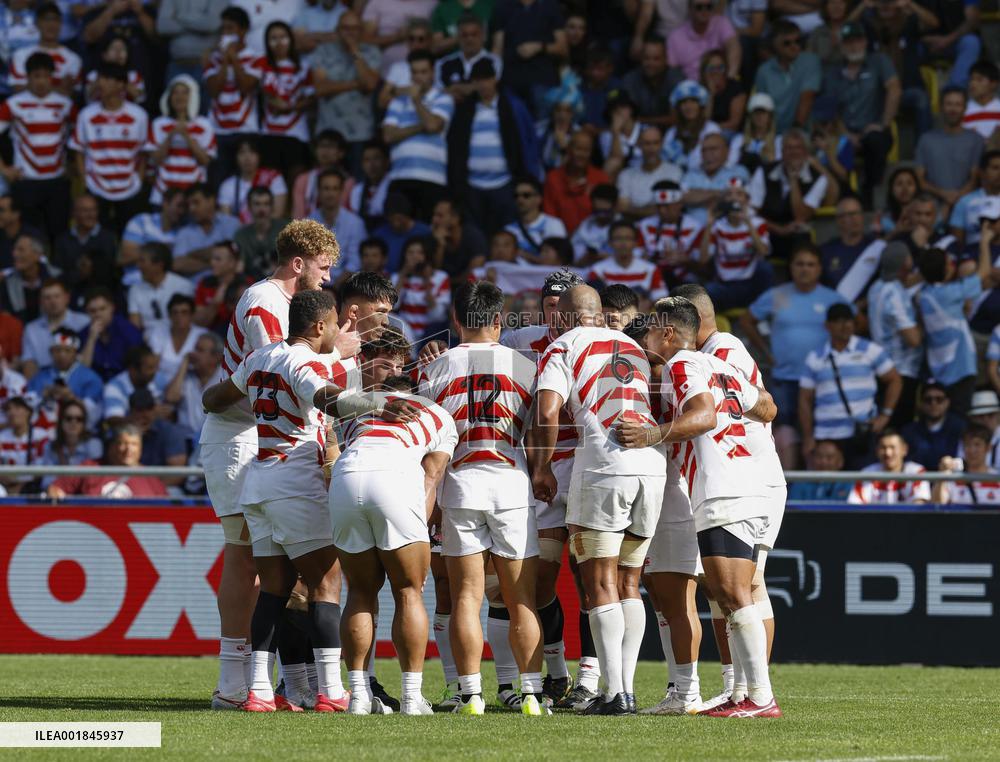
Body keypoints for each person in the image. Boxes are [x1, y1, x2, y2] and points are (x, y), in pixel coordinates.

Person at [201, 289, 417, 713]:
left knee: (274, 591)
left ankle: (260, 692)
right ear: (319, 326)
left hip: (257, 483)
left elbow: (215, 398)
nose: (339, 330)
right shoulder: (306, 361)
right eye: (335, 323)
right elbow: (325, 399)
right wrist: (379, 402)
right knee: (326, 583)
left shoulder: (258, 358)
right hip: (294, 479)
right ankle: (332, 691)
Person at [198, 219, 345, 711]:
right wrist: (339, 356)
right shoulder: (265, 302)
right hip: (244, 438)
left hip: (264, 439)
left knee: (276, 570)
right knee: (247, 560)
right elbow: (276, 370)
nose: (327, 280)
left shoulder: (284, 304)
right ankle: (234, 684)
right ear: (298, 263)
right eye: (323, 269)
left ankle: (275, 682)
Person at [616, 296, 780, 718]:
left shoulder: (682, 365)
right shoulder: (720, 367)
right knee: (735, 591)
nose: (648, 338)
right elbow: (768, 407)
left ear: (667, 333)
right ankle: (747, 694)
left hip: (723, 486)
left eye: (652, 330)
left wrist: (653, 434)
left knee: (730, 592)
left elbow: (704, 416)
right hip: (751, 481)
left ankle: (760, 698)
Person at [529, 284, 666, 715]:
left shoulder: (563, 347)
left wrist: (543, 466)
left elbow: (547, 411)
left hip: (604, 465)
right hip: (650, 465)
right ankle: (623, 688)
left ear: (566, 316)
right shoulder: (633, 346)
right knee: (629, 582)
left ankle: (614, 693)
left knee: (599, 583)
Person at [419, 281, 547, 716]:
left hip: (460, 483)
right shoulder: (527, 366)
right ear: (498, 320)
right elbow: (537, 426)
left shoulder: (436, 369)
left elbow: (426, 437)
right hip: (511, 483)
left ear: (456, 320)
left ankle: (469, 694)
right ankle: (531, 694)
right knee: (520, 599)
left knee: (466, 598)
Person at [332, 368, 456, 716]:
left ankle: (357, 696)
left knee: (359, 590)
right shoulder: (438, 414)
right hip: (396, 477)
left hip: (347, 476)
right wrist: (423, 535)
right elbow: (430, 478)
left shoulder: (362, 409)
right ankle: (412, 697)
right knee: (408, 590)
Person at [742, 244, 847, 442]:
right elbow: (746, 320)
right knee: (785, 435)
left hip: (822, 378)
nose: (805, 269)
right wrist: (765, 352)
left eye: (810, 264)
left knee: (820, 435)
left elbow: (855, 323)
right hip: (785, 377)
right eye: (800, 264)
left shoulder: (832, 299)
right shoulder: (778, 295)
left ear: (819, 269)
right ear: (791, 267)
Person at [798, 303, 901, 466]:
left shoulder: (869, 349)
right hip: (827, 434)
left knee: (863, 485)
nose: (844, 325)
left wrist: (885, 415)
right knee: (829, 486)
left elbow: (895, 380)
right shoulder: (815, 357)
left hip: (862, 433)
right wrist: (808, 437)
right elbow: (804, 399)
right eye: (838, 321)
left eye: (848, 320)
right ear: (827, 326)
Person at [447, 56, 537, 237]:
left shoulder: (513, 106)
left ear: (495, 79)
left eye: (486, 79)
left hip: (504, 183)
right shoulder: (464, 110)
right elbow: (455, 148)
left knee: (506, 235)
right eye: (478, 80)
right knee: (475, 234)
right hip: (472, 186)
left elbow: (527, 141)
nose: (483, 85)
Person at [822, 22, 899, 209]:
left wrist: (883, 123)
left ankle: (870, 191)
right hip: (843, 132)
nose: (853, 46)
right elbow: (831, 110)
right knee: (831, 146)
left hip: (872, 129)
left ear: (865, 42)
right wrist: (845, 133)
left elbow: (895, 89)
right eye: (848, 42)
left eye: (857, 40)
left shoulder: (879, 61)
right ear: (841, 45)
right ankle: (845, 199)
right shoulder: (833, 73)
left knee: (876, 140)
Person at [0, 52, 74, 237]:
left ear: (52, 77)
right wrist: (4, 169)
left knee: (59, 234)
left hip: (57, 181)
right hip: (26, 181)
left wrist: (72, 166)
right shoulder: (13, 104)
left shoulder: (65, 104)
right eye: (36, 76)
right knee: (26, 235)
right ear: (27, 78)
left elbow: (80, 138)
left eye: (46, 76)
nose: (41, 81)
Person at [916, 235, 992, 416]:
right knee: (959, 419)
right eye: (949, 262)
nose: (953, 264)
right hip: (960, 369)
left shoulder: (923, 294)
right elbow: (984, 273)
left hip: (938, 368)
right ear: (945, 268)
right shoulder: (949, 293)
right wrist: (984, 241)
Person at [69, 62, 148, 232]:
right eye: (99, 79)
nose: (100, 84)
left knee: (129, 236)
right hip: (97, 188)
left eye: (105, 79)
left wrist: (138, 182)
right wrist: (86, 182)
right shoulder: (86, 115)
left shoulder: (139, 116)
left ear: (121, 84)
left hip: (129, 188)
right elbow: (79, 152)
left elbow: (143, 154)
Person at [382, 50, 454, 222]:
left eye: (424, 72)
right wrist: (422, 127)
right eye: (415, 72)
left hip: (432, 178)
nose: (419, 76)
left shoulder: (443, 98)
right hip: (400, 176)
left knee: (427, 231)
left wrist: (416, 100)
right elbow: (388, 136)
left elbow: (433, 125)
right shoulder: (397, 101)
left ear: (433, 73)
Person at [310, 11, 381, 165]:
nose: (350, 33)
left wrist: (355, 51)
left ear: (361, 31)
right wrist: (355, 84)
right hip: (329, 133)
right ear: (337, 30)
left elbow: (369, 84)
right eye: (346, 28)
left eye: (355, 28)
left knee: (357, 185)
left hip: (361, 133)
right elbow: (321, 89)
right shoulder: (323, 51)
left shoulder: (372, 52)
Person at [748, 129, 830, 261]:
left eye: (798, 148)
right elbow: (751, 211)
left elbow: (801, 216)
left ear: (805, 152)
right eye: (789, 148)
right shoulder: (764, 171)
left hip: (795, 234)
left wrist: (793, 180)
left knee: (801, 239)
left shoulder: (819, 179)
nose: (794, 152)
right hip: (767, 229)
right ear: (782, 151)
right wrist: (779, 229)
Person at [867, 242, 922, 427]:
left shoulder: (876, 287)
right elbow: (913, 339)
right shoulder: (894, 294)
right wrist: (924, 320)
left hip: (883, 368)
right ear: (905, 262)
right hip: (901, 371)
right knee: (900, 429)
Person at [203, 6, 261, 178]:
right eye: (223, 29)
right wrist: (224, 61)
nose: (225, 33)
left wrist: (233, 59)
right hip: (217, 129)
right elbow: (213, 91)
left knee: (244, 179)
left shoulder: (257, 58)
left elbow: (246, 87)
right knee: (219, 179)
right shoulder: (212, 59)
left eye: (230, 28)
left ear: (243, 31)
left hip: (246, 128)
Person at [46, 423, 168, 500]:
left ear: (141, 449)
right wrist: (56, 494)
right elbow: (56, 488)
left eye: (134, 444)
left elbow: (167, 510)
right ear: (111, 446)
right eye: (123, 443)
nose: (128, 450)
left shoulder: (151, 478)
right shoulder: (91, 468)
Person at [697, 185, 771, 310]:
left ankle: (763, 313)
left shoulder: (757, 223)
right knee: (708, 291)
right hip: (725, 286)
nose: (734, 198)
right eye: (729, 194)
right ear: (724, 201)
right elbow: (703, 259)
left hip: (750, 283)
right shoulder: (716, 225)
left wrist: (748, 222)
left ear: (747, 200)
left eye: (739, 194)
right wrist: (709, 225)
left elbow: (764, 251)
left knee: (765, 268)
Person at [146, 74, 216, 206]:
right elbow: (155, 160)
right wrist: (170, 136)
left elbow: (205, 160)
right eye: (175, 93)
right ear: (169, 97)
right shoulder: (159, 124)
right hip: (163, 193)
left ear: (192, 97)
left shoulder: (204, 124)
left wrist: (186, 136)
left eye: (185, 93)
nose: (180, 97)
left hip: (193, 194)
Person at [257, 21, 314, 172]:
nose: (279, 42)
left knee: (296, 178)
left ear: (291, 39)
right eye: (273, 38)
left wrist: (291, 107)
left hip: (297, 133)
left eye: (283, 37)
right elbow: (263, 91)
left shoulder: (304, 65)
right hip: (269, 133)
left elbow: (311, 98)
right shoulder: (262, 64)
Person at [491, 0, 566, 115]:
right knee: (514, 128)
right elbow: (497, 49)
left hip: (542, 82)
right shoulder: (503, 7)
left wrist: (539, 47)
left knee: (542, 127)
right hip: (511, 82)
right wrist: (492, 79)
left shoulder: (550, 6)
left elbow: (562, 48)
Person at [915, 88, 984, 208]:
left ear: (965, 108)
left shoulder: (976, 140)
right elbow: (919, 179)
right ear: (941, 107)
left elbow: (975, 178)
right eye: (949, 104)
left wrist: (955, 198)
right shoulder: (926, 140)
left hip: (967, 206)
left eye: (958, 104)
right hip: (931, 208)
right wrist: (943, 194)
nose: (953, 109)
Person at [752, 20, 821, 133]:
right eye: (787, 43)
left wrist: (795, 133)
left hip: (802, 133)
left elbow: (807, 97)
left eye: (798, 41)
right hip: (773, 134)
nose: (794, 46)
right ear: (775, 45)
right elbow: (763, 108)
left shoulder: (811, 61)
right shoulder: (764, 71)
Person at [26, 327, 104, 423]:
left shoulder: (91, 378)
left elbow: (94, 414)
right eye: (58, 350)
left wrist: (71, 398)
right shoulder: (39, 377)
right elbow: (25, 408)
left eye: (67, 351)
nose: (62, 355)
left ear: (76, 353)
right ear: (51, 352)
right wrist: (44, 395)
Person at [637, 180, 702, 287]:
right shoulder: (644, 225)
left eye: (667, 206)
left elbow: (703, 267)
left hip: (685, 283)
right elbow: (638, 256)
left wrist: (686, 261)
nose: (662, 210)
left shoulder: (695, 227)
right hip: (650, 281)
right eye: (659, 206)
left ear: (679, 205)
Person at [543, 130, 610, 234]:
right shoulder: (553, 178)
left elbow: (606, 215)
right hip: (561, 239)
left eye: (586, 150)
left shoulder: (600, 178)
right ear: (569, 150)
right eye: (578, 149)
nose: (582, 155)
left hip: (592, 239)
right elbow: (549, 216)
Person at [21, 279, 89, 378]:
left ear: (67, 298)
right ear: (41, 302)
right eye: (47, 298)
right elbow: (29, 363)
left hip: (79, 378)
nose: (53, 301)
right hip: (44, 380)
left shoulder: (84, 322)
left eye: (57, 296)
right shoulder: (31, 329)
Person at [307, 169, 365, 283]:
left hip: (345, 287)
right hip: (313, 285)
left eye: (335, 188)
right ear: (318, 191)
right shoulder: (307, 223)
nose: (330, 194)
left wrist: (335, 288)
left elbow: (355, 262)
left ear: (342, 191)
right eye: (326, 188)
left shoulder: (355, 224)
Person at [9, 3, 80, 96]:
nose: (51, 24)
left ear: (61, 23)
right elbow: (17, 89)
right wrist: (57, 86)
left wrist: (33, 85)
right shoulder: (21, 55)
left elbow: (71, 95)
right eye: (46, 19)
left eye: (55, 19)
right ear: (37, 23)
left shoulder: (73, 59)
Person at [680, 132, 750, 225]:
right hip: (693, 234)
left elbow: (737, 200)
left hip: (725, 233)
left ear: (727, 151)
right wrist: (721, 193)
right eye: (704, 150)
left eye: (713, 149)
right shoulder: (690, 174)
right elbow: (683, 198)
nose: (708, 154)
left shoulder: (739, 172)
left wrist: (697, 195)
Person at [127, 243, 195, 337]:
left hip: (177, 339)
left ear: (159, 265)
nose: (138, 265)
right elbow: (135, 326)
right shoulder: (135, 290)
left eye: (142, 261)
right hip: (147, 343)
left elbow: (188, 322)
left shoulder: (183, 287)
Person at [78, 286, 144, 382]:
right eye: (93, 311)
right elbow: (82, 372)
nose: (98, 314)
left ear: (112, 308)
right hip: (95, 385)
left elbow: (138, 366)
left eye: (102, 309)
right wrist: (91, 339)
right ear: (86, 312)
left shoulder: (127, 330)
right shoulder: (83, 334)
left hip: (125, 383)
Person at [616, 126, 683, 220]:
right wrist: (657, 208)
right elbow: (622, 207)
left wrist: (635, 210)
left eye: (656, 143)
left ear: (662, 144)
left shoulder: (675, 172)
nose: (652, 149)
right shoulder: (626, 175)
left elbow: (672, 208)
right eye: (647, 143)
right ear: (639, 145)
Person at [588, 220, 667, 299]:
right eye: (618, 238)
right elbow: (595, 303)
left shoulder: (651, 269)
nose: (623, 243)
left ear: (636, 243)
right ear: (610, 243)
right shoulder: (597, 271)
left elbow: (661, 300)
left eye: (628, 238)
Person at [165, 331, 224, 436]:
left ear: (215, 357)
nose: (194, 354)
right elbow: (170, 398)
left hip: (213, 440)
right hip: (184, 441)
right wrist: (185, 363)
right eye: (195, 349)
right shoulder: (186, 376)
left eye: (200, 350)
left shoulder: (225, 378)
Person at [848, 429, 931, 504]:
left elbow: (919, 507)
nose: (888, 453)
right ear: (876, 451)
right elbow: (855, 506)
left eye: (892, 447)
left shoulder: (916, 472)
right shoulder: (866, 473)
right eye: (883, 448)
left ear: (904, 450)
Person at [173, 184, 241, 275]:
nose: (191, 209)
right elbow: (178, 264)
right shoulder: (184, 232)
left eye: (196, 203)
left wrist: (192, 254)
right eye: (188, 205)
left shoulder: (231, 224)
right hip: (195, 287)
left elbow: (234, 254)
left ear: (211, 200)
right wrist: (215, 263)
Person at [37, 398, 103, 490]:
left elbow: (95, 482)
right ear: (61, 421)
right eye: (68, 418)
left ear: (84, 423)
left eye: (79, 419)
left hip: (86, 498)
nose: (73, 422)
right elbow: (47, 482)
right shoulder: (50, 447)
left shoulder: (94, 445)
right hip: (58, 499)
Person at [218, 137, 288, 224]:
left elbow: (278, 214)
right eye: (242, 152)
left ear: (259, 156)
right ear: (235, 157)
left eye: (252, 152)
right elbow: (227, 220)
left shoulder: (274, 178)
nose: (247, 158)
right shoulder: (227, 186)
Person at [392, 236, 450, 340]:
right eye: (410, 252)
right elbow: (393, 306)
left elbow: (438, 316)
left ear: (427, 255)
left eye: (420, 253)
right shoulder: (397, 277)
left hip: (431, 333)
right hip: (404, 332)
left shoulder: (441, 277)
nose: (415, 256)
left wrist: (426, 280)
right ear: (404, 255)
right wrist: (402, 276)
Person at [667, 0, 740, 81]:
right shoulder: (676, 36)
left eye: (708, 7)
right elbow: (673, 70)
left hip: (719, 82)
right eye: (699, 7)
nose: (704, 11)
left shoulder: (721, 23)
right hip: (690, 87)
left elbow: (734, 47)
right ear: (690, 9)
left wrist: (730, 77)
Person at [435, 12, 502, 100]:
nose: (469, 39)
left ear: (483, 36)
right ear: (457, 37)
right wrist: (473, 88)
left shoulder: (494, 61)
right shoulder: (443, 63)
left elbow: (492, 89)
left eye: (474, 34)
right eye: (464, 35)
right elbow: (439, 92)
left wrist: (457, 88)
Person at [901, 381, 967, 470]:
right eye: (928, 400)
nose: (933, 403)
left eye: (939, 399)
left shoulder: (961, 428)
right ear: (921, 403)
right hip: (917, 480)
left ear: (947, 402)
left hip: (951, 480)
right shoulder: (909, 432)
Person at [145, 294, 207, 388]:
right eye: (175, 312)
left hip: (192, 385)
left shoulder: (202, 335)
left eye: (184, 312)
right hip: (160, 383)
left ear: (192, 315)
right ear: (169, 315)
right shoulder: (159, 332)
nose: (179, 316)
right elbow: (153, 365)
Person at [820, 196, 879, 292]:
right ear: (839, 220)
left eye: (857, 214)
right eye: (850, 215)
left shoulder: (875, 246)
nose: (855, 218)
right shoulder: (826, 251)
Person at [621, 37, 683, 129]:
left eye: (656, 59)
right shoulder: (630, 80)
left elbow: (678, 118)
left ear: (666, 60)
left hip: (671, 134)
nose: (651, 63)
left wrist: (642, 120)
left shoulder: (676, 79)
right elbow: (627, 119)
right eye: (646, 58)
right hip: (638, 133)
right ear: (641, 59)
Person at [51, 194, 117, 280]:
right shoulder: (62, 239)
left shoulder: (108, 238)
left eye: (94, 210)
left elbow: (108, 270)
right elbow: (57, 271)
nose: (91, 215)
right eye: (85, 210)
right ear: (74, 213)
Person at [662, 80, 720, 172]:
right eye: (684, 102)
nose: (689, 106)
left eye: (693, 101)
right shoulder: (672, 132)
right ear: (678, 107)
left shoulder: (711, 128)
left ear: (700, 105)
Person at [120, 189, 187, 270]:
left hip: (167, 280)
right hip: (135, 280)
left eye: (185, 207)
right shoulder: (141, 221)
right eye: (179, 205)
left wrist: (146, 251)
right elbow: (125, 257)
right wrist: (164, 249)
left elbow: (180, 264)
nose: (182, 211)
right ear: (165, 203)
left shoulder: (183, 231)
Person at [934, 425, 1000, 506]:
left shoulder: (997, 479)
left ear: (988, 448)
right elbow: (937, 506)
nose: (972, 450)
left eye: (977, 444)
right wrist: (942, 473)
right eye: (967, 444)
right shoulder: (953, 477)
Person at [0, 232, 57, 323]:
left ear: (37, 255)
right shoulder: (7, 282)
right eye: (14, 249)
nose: (15, 254)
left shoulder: (56, 278)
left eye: (21, 250)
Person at [504, 177, 566, 259]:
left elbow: (558, 260)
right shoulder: (509, 230)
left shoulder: (553, 225)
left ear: (539, 199)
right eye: (516, 196)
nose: (520, 199)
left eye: (526, 195)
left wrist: (528, 257)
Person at [949, 150, 1000, 248]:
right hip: (972, 256)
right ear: (982, 172)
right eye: (995, 168)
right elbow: (957, 241)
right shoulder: (965, 202)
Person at [233, 187, 287, 279]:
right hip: (252, 286)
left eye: (266, 204)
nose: (262, 209)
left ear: (272, 207)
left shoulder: (285, 229)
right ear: (249, 207)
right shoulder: (241, 235)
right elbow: (239, 269)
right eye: (257, 204)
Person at [371, 193, 432, 273]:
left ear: (407, 214)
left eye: (399, 219)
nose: (395, 223)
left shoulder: (424, 232)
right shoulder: (379, 234)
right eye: (391, 219)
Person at [102, 343, 161, 421]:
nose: (154, 372)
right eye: (149, 368)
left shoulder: (157, 380)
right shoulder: (113, 388)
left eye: (155, 367)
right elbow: (114, 421)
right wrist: (147, 414)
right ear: (133, 370)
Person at [343, 140, 390, 230]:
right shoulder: (357, 191)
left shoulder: (393, 186)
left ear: (387, 161)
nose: (371, 164)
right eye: (367, 160)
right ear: (362, 164)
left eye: (376, 158)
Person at [786, 439, 852, 501]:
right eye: (819, 456)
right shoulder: (799, 484)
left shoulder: (850, 485)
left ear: (840, 461)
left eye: (829, 457)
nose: (823, 461)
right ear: (812, 459)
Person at [570, 184, 618, 265]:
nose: (601, 215)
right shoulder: (584, 226)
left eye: (605, 211)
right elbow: (573, 258)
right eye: (597, 211)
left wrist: (609, 257)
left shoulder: (623, 227)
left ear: (614, 206)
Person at [963, 60, 1000, 147]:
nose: (973, 84)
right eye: (971, 79)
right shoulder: (962, 110)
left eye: (979, 79)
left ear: (993, 84)